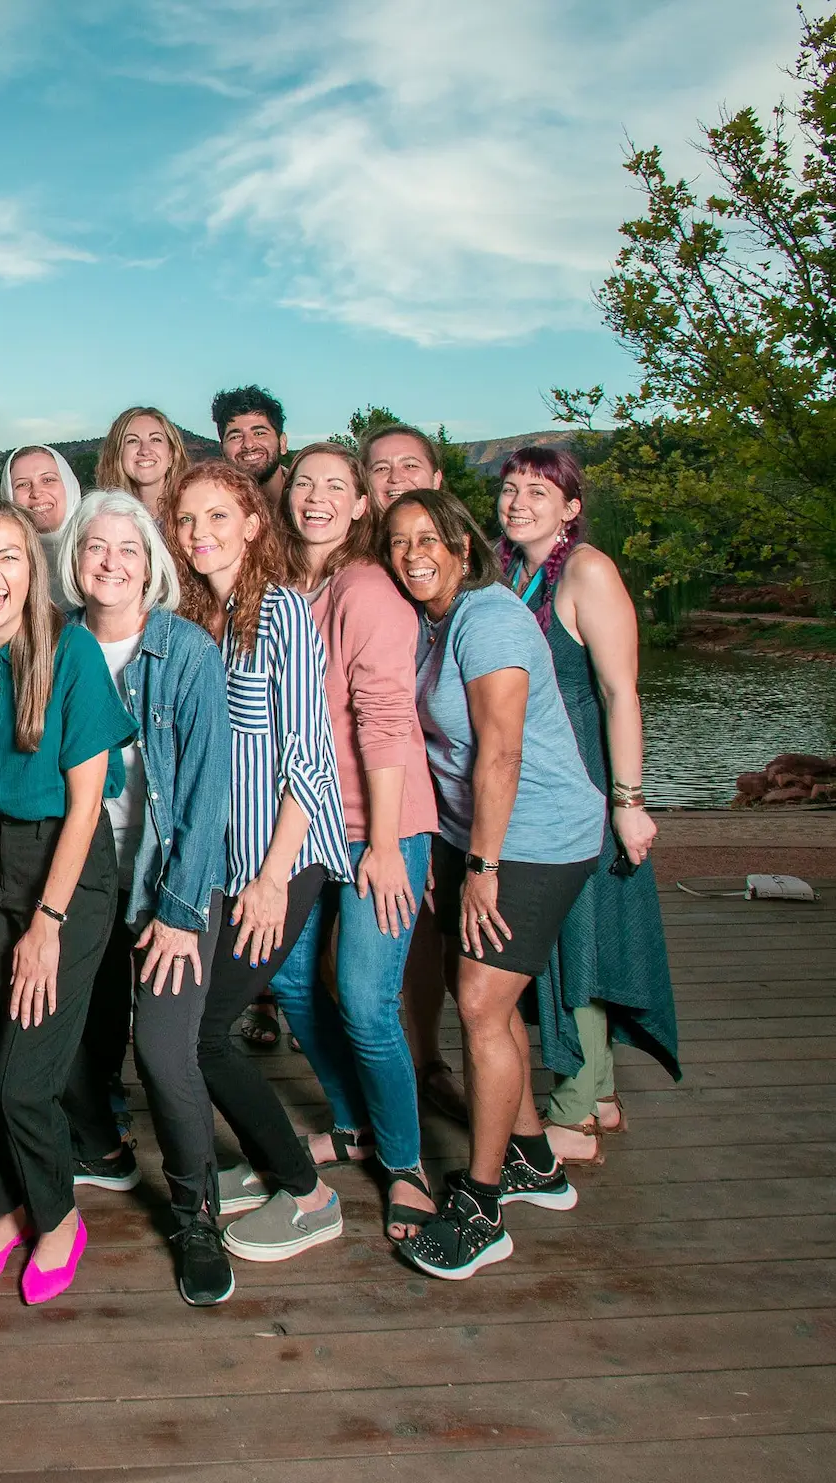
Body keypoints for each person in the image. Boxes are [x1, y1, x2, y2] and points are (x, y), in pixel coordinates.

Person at [384, 490, 605, 1280]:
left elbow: (500, 753)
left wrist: (481, 867)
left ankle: (481, 1206)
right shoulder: (432, 621)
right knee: (481, 992)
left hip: (535, 836)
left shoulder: (490, 617)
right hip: (468, 832)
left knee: (479, 1003)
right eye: (399, 541)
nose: (414, 553)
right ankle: (534, 1163)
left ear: (460, 543)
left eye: (429, 538)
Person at [0, 496, 134, 1306]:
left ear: (32, 566)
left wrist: (47, 925)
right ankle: (6, 1202)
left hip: (66, 867)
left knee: (22, 1081)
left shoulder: (73, 650)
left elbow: (87, 804)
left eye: (8, 557)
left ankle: (57, 1217)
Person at [54, 490, 237, 1306]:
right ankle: (100, 1149)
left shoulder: (187, 652)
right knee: (74, 1038)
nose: (110, 562)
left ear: (151, 563)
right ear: (74, 559)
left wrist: (178, 912)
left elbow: (206, 798)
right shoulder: (53, 647)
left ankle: (197, 1211)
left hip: (173, 885)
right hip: (87, 880)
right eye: (95, 546)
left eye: (127, 549)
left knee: (165, 1053)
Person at [170, 459, 353, 1266]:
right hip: (217, 866)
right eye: (186, 521)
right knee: (191, 1028)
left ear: (251, 523)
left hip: (278, 862)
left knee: (206, 1031)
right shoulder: (193, 619)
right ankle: (270, 1160)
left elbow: (311, 761)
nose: (200, 533)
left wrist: (273, 876)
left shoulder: (280, 611)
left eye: (217, 516)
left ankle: (308, 1194)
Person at [266, 445, 441, 1242]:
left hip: (378, 823)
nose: (317, 496)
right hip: (304, 821)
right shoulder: (281, 589)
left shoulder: (364, 587)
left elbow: (385, 715)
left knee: (368, 1003)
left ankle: (404, 1164)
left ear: (361, 504)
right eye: (305, 481)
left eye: (337, 484)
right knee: (296, 982)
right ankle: (349, 1122)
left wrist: (381, 841)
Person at [494, 447, 681, 1161]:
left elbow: (618, 692)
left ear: (570, 506)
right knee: (565, 932)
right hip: (531, 776)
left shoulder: (587, 570)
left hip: (579, 776)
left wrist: (627, 801)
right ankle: (597, 1095)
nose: (518, 501)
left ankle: (572, 1112)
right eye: (509, 489)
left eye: (538, 491)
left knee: (580, 935)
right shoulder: (510, 568)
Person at [354, 422, 469, 1126]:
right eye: (379, 469)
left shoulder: (448, 572)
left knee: (461, 959)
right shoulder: (369, 566)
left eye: (409, 465)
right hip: (402, 791)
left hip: (446, 797)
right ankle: (404, 1072)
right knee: (399, 943)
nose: (393, 478)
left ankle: (429, 1066)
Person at [4, 445, 85, 609]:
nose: (36, 492)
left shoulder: (100, 547)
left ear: (68, 485)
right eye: (23, 485)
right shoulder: (1, 561)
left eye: (48, 480)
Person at [94, 406, 193, 525]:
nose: (145, 450)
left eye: (155, 439)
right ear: (118, 455)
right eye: (132, 441)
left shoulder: (192, 510)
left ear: (171, 455)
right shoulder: (103, 517)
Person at [212, 386, 289, 504]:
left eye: (259, 433)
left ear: (282, 443)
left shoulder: (313, 500)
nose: (248, 445)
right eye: (236, 437)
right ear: (222, 450)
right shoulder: (213, 504)